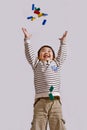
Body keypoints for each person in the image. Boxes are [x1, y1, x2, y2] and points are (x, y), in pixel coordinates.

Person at [22, 27, 68, 130]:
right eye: (43, 51)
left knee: (58, 125)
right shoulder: (37, 63)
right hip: (40, 101)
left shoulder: (56, 63)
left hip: (55, 100)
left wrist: (63, 43)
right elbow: (29, 54)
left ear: (53, 56)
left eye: (49, 51)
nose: (46, 52)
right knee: (37, 125)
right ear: (38, 56)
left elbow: (62, 55)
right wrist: (27, 40)